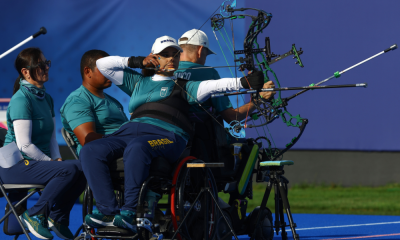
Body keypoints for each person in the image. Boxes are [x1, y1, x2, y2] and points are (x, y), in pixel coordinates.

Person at [79, 35, 265, 233]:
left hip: (168, 135)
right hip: (129, 131)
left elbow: (214, 86)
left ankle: (130, 213)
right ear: (153, 58)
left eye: (175, 55)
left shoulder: (185, 85)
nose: (171, 59)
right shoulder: (138, 82)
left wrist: (244, 82)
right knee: (91, 150)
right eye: (164, 55)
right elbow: (102, 64)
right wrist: (136, 61)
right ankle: (107, 212)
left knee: (138, 147)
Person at [0, 47, 86, 240]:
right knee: (67, 170)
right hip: (14, 166)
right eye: (40, 65)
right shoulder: (21, 99)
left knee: (82, 167)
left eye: (47, 63)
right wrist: (52, 163)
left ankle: (58, 218)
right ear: (25, 72)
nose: (46, 68)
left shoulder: (46, 98)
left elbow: (50, 138)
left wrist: (56, 159)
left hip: (35, 164)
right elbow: (25, 146)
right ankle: (35, 214)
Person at [175, 29, 275, 123]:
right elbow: (232, 117)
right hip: (197, 138)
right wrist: (260, 98)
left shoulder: (165, 72)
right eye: (206, 54)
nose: (205, 59)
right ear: (200, 50)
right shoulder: (209, 73)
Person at [60, 50, 128, 155]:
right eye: (106, 69)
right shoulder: (77, 101)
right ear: (87, 71)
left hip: (127, 150)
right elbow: (87, 140)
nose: (111, 73)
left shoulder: (113, 101)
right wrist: (128, 138)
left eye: (112, 69)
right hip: (106, 158)